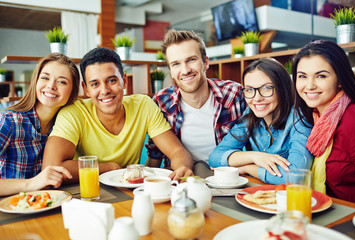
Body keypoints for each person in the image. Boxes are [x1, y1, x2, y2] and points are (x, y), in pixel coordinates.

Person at [42, 47, 193, 182]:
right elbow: (51, 167)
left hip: (130, 191)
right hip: (86, 192)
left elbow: (177, 151)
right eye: (95, 84)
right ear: (86, 89)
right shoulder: (74, 113)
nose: (105, 90)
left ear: (124, 81)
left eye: (112, 80)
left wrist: (181, 168)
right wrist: (109, 167)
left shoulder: (143, 105)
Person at [146, 29, 246, 178]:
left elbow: (257, 142)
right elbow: (155, 155)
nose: (185, 70)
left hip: (228, 180)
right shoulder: (161, 103)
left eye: (191, 60)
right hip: (183, 182)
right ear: (171, 71)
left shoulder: (234, 95)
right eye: (176, 64)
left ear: (205, 62)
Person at [209, 58, 313, 185]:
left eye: (267, 88)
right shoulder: (250, 115)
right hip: (259, 194)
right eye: (249, 89)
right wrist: (255, 157)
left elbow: (294, 177)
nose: (257, 98)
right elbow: (214, 158)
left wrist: (247, 168)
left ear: (283, 88)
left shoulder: (299, 118)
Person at [0, 53, 80, 196]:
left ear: (73, 91)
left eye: (62, 82)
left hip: (49, 205)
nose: (51, 86)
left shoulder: (66, 128)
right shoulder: (9, 121)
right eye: (45, 78)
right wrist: (31, 183)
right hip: (11, 210)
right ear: (35, 81)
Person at [292, 40, 355, 203]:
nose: (309, 85)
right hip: (326, 211)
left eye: (321, 76)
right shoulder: (313, 118)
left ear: (340, 79)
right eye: (302, 76)